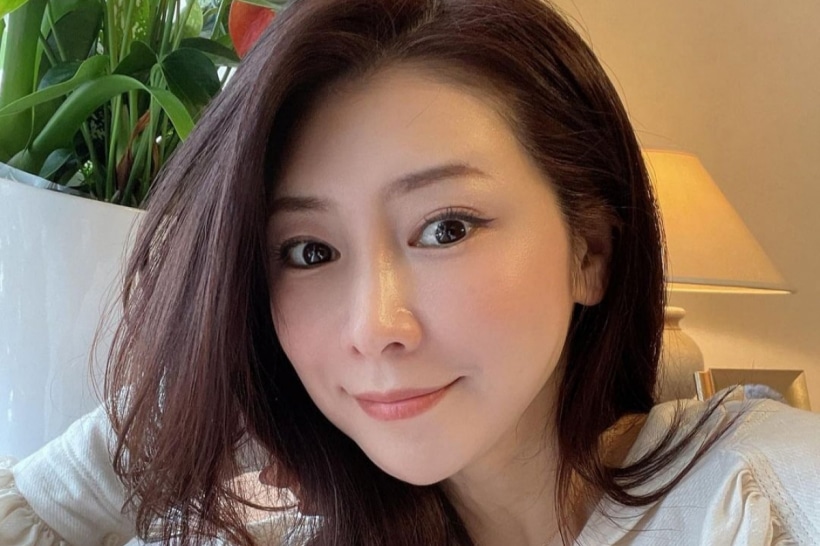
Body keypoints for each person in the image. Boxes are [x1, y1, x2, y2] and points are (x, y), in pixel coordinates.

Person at [1, 0, 819, 544]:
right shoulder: (275, 530)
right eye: (310, 252)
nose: (375, 327)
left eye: (445, 228)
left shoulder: (754, 497)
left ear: (590, 253)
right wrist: (214, 389)